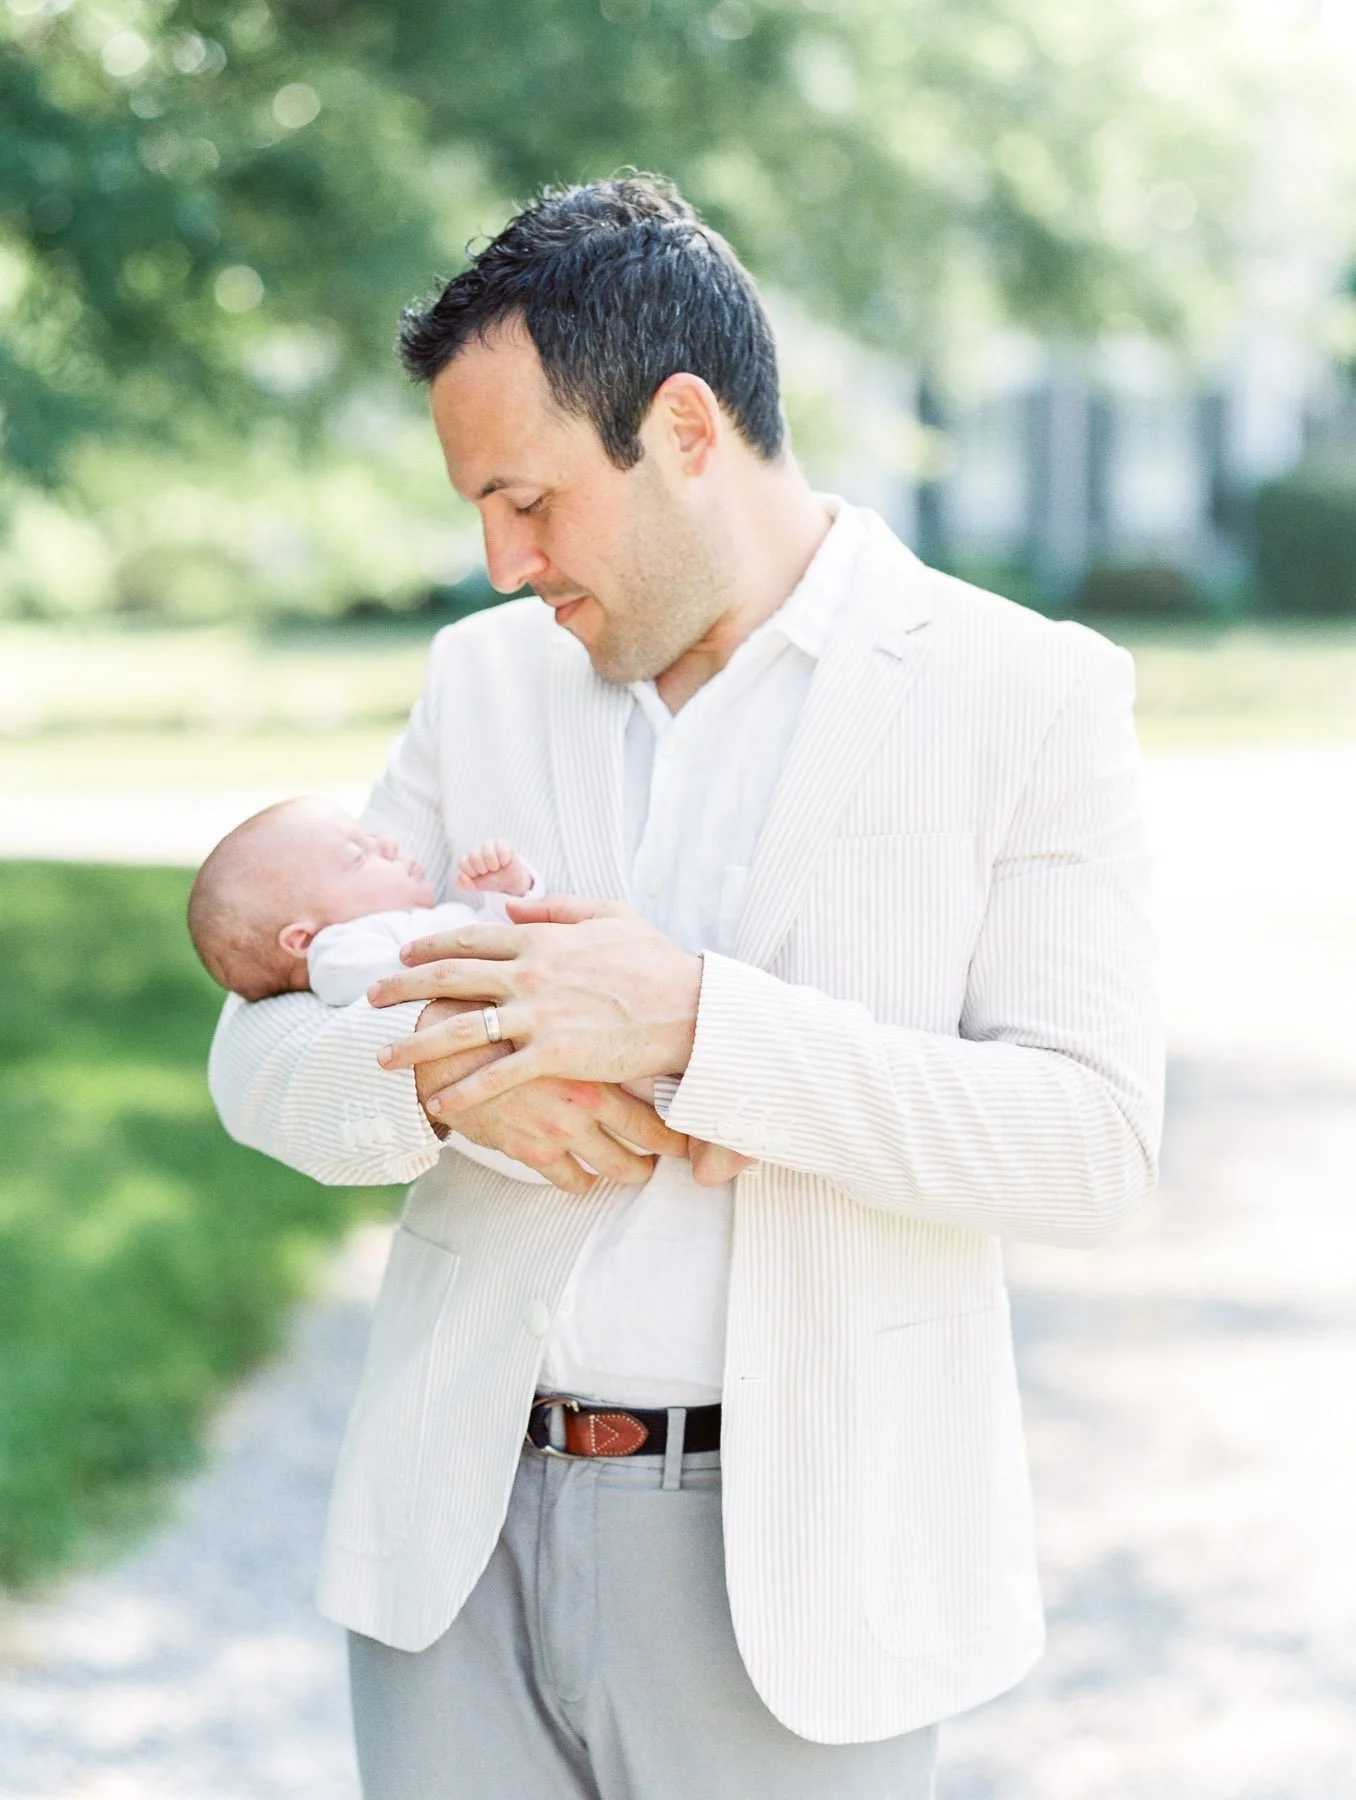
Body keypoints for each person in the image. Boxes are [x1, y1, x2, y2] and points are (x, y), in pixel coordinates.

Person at [208, 174, 1163, 1800]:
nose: (499, 561)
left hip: (802, 1589)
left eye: (528, 499)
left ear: (686, 428)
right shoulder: (480, 680)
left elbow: (1090, 1147)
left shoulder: (1029, 694)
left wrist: (706, 1028)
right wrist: (444, 1081)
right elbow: (260, 1046)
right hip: (455, 1556)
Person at [189, 795, 746, 1185]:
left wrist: (511, 889)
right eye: (359, 856)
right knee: (626, 1075)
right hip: (532, 1046)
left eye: (372, 836)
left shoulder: (422, 917)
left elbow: (512, 925)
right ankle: (710, 1130)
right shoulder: (340, 949)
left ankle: (716, 1120)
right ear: (302, 939)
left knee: (638, 1059)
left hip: (558, 1016)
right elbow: (375, 982)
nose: (387, 845)